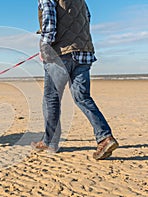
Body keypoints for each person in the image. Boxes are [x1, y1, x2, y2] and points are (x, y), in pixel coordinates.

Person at [31, 0, 119, 160]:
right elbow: (87, 18)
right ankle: (105, 138)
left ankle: (50, 142)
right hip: (84, 52)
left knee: (51, 98)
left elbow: (49, 19)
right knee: (82, 97)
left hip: (61, 54)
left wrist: (45, 46)